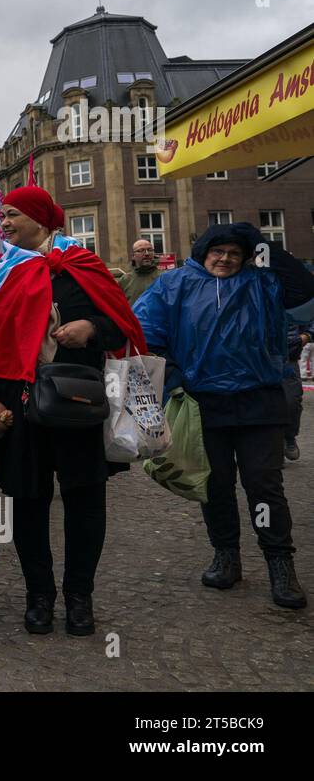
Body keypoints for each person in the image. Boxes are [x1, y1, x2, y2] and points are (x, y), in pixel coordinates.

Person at [0, 185, 142, 637]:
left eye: (12, 216)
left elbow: (121, 324)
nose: (3, 224)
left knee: (85, 499)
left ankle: (79, 595)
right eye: (2, 216)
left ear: (41, 219)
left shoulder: (84, 266)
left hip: (78, 404)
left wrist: (91, 328)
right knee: (27, 502)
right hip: (19, 408)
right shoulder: (3, 272)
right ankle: (39, 595)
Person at [135, 222, 314, 609]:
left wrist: (263, 244)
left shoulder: (263, 283)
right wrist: (176, 378)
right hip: (203, 405)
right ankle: (226, 555)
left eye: (235, 252)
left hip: (259, 403)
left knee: (264, 488)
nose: (226, 258)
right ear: (204, 253)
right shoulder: (175, 284)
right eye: (218, 251)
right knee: (215, 486)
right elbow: (146, 331)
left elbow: (302, 287)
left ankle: (279, 563)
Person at [282, 318, 310, 462]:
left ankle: (289, 436)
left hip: (287, 358)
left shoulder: (293, 297)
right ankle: (273, 448)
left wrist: (305, 337)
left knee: (291, 401)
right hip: (257, 358)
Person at [114, 239, 161, 305]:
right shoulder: (125, 280)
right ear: (133, 256)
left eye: (150, 250)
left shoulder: (163, 277)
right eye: (141, 250)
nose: (147, 254)